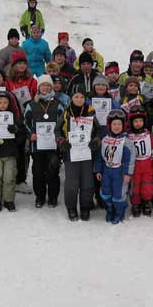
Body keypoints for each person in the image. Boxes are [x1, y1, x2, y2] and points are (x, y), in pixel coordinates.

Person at [56, 86, 101, 221]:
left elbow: (98, 131)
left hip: (87, 152)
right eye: (76, 97)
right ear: (71, 98)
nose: (79, 99)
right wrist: (61, 142)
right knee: (72, 182)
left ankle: (85, 207)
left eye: (82, 97)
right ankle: (71, 207)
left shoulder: (90, 112)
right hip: (71, 152)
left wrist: (96, 141)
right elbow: (57, 130)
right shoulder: (66, 113)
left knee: (87, 182)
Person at [24, 75, 65, 208]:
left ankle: (53, 197)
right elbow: (25, 122)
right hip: (37, 146)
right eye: (43, 85)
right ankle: (40, 197)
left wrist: (59, 137)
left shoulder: (58, 105)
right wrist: (31, 134)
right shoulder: (31, 104)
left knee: (53, 171)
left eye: (48, 85)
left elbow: (62, 123)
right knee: (37, 172)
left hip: (53, 146)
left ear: (52, 87)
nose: (46, 88)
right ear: (39, 87)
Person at [94, 110, 136, 224]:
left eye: (119, 124)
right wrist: (98, 170)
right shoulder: (105, 139)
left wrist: (128, 173)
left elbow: (130, 160)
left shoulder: (126, 141)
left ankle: (119, 212)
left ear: (123, 125)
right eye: (114, 124)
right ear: (109, 125)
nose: (117, 127)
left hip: (120, 171)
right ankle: (110, 209)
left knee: (119, 194)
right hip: (107, 170)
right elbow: (100, 157)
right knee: (105, 192)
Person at [4, 52, 34, 194]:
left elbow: (36, 95)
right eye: (19, 63)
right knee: (12, 150)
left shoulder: (31, 80)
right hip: (11, 119)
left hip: (26, 120)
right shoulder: (8, 81)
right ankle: (11, 178)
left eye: (24, 63)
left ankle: (21, 179)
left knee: (24, 151)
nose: (22, 66)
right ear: (13, 66)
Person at [127, 106, 153, 217]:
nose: (138, 123)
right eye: (135, 121)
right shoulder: (128, 136)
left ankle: (146, 202)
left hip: (147, 164)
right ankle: (136, 203)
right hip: (134, 165)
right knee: (135, 185)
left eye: (140, 121)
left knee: (147, 185)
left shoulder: (148, 134)